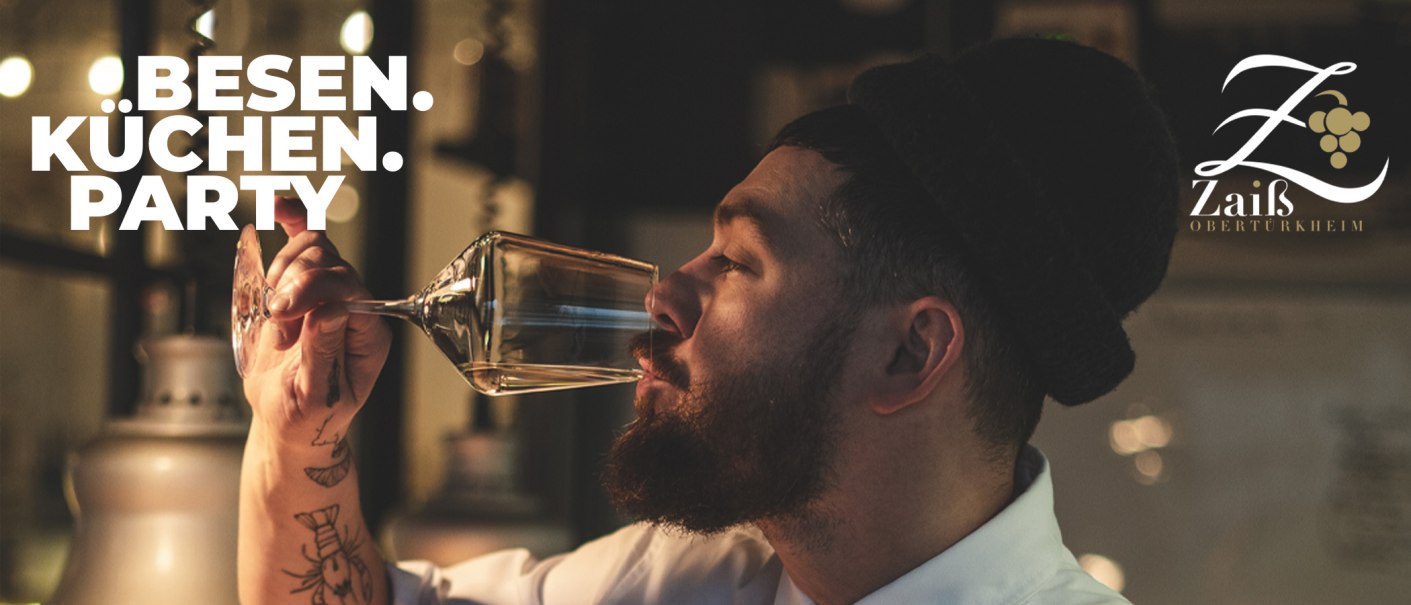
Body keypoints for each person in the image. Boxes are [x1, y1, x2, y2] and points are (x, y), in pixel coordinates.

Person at [239, 38, 1178, 605]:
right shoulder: (682, 576)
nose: (663, 294)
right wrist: (298, 440)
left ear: (908, 350)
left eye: (734, 260)